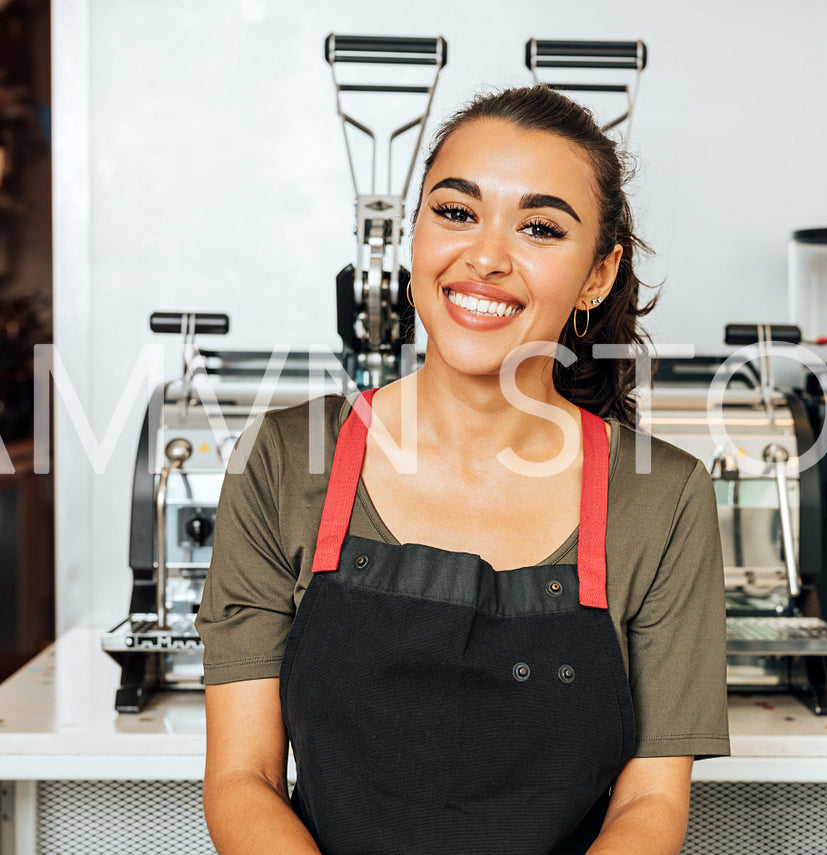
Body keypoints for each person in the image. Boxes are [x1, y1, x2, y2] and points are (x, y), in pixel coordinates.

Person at [198, 85, 728, 855]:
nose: (485, 256)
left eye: (539, 228)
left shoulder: (661, 496)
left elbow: (649, 802)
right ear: (413, 235)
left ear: (597, 275)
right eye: (455, 211)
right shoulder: (283, 460)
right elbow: (240, 779)